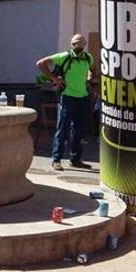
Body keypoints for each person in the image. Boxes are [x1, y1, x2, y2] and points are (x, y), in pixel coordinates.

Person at [37, 34, 97, 171]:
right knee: (62, 130)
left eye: (81, 42)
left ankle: (75, 160)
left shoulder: (88, 58)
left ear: (85, 43)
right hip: (67, 97)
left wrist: (90, 78)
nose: (79, 45)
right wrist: (54, 79)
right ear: (71, 44)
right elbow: (40, 63)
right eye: (76, 43)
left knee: (78, 130)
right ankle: (56, 159)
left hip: (82, 97)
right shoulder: (64, 56)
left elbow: (93, 68)